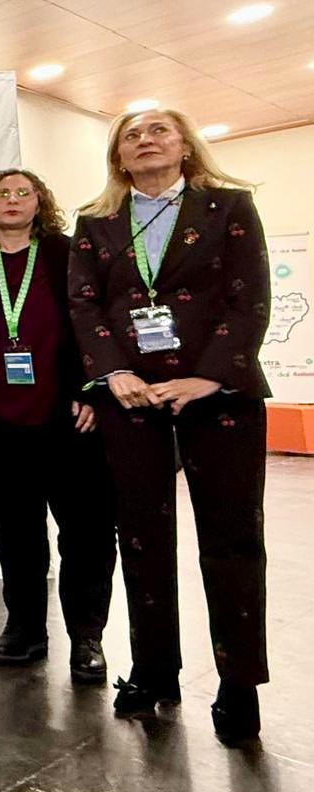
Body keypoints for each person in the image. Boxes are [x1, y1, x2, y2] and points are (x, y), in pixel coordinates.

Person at [68, 108, 271, 744]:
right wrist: (113, 373)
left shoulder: (229, 207)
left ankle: (239, 683)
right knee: (142, 537)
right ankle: (155, 669)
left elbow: (249, 298)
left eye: (159, 130)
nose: (145, 140)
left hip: (219, 393)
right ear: (118, 157)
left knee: (233, 539)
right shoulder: (95, 221)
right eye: (131, 135)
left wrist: (208, 377)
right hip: (130, 397)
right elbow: (84, 305)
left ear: (185, 145)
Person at [0, 168, 116, 683]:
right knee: (17, 533)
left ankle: (87, 637)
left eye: (23, 192)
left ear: (39, 202)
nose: (12, 200)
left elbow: (97, 323)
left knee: (86, 533)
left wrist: (90, 390)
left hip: (69, 419)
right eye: (1, 193)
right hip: (0, 422)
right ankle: (25, 627)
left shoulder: (67, 254)